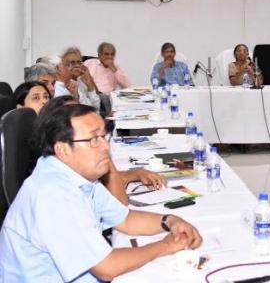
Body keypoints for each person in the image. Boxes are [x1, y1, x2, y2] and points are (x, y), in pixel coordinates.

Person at [0, 104, 202, 282]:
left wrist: (170, 221)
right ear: (63, 150)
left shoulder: (77, 175)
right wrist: (166, 245)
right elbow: (106, 268)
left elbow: (126, 219)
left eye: (103, 137)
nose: (105, 147)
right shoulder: (52, 194)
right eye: (94, 139)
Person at [37, 96, 167, 204]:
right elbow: (120, 207)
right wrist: (104, 154)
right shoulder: (54, 191)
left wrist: (136, 174)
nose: (106, 145)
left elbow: (104, 183)